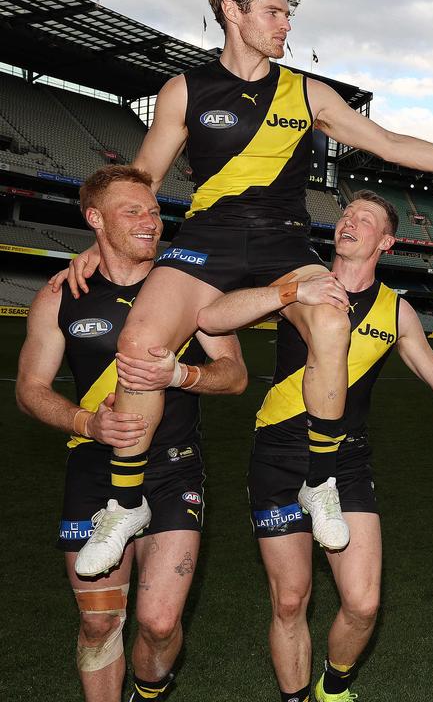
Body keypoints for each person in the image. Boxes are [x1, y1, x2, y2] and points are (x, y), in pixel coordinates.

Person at [57, 0, 433, 577]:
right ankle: (125, 501)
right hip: (207, 241)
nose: (285, 22)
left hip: (282, 242)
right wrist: (101, 240)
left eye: (286, 11)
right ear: (233, 12)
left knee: (331, 324)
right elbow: (142, 177)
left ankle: (320, 482)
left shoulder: (307, 92)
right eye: (272, 11)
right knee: (140, 341)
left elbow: (387, 142)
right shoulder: (184, 91)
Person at [195, 190, 433, 702]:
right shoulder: (306, 282)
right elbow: (211, 317)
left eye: (366, 218)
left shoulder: (396, 312)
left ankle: (334, 686)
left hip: (346, 462)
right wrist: (287, 294)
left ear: (386, 241)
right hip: (279, 453)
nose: (350, 222)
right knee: (290, 601)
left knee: (363, 603)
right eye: (347, 214)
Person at [16, 166, 247, 702]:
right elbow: (30, 388)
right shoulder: (60, 297)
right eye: (133, 212)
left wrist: (182, 374)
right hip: (94, 469)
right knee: (99, 625)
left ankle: (149, 692)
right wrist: (86, 423)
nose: (150, 221)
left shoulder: (191, 289)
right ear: (95, 220)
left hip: (173, 468)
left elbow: (233, 374)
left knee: (161, 623)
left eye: (153, 210)